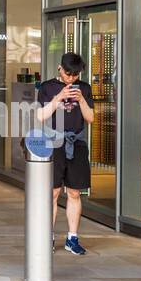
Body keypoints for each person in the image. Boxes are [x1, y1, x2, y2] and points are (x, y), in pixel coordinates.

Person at [36, 52, 95, 256]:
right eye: (69, 74)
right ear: (60, 69)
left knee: (74, 192)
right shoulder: (47, 87)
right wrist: (58, 98)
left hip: (76, 143)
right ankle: (48, 236)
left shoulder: (84, 88)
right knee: (52, 192)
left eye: (76, 75)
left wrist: (82, 101)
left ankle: (72, 238)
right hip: (53, 143)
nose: (71, 78)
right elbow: (41, 116)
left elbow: (90, 118)